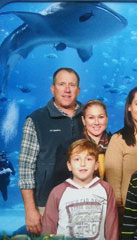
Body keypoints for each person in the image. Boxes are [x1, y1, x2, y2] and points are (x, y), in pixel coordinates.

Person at [18, 67, 83, 235]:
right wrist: (30, 210)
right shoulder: (36, 120)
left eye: (72, 85)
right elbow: (26, 169)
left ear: (78, 90)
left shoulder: (90, 117)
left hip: (83, 201)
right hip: (45, 203)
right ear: (53, 88)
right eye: (62, 84)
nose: (67, 90)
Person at [42, 139, 118, 240]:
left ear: (96, 165)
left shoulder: (106, 189)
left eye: (88, 159)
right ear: (69, 165)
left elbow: (111, 227)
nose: (83, 164)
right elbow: (48, 228)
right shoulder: (57, 192)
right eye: (77, 159)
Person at [105, 86, 137, 223]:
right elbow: (113, 184)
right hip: (129, 214)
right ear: (129, 107)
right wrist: (121, 213)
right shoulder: (118, 139)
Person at [52, 99, 111, 187]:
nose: (96, 122)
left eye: (101, 117)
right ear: (83, 120)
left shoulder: (117, 142)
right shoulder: (69, 146)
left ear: (107, 118)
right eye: (91, 117)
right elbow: (59, 180)